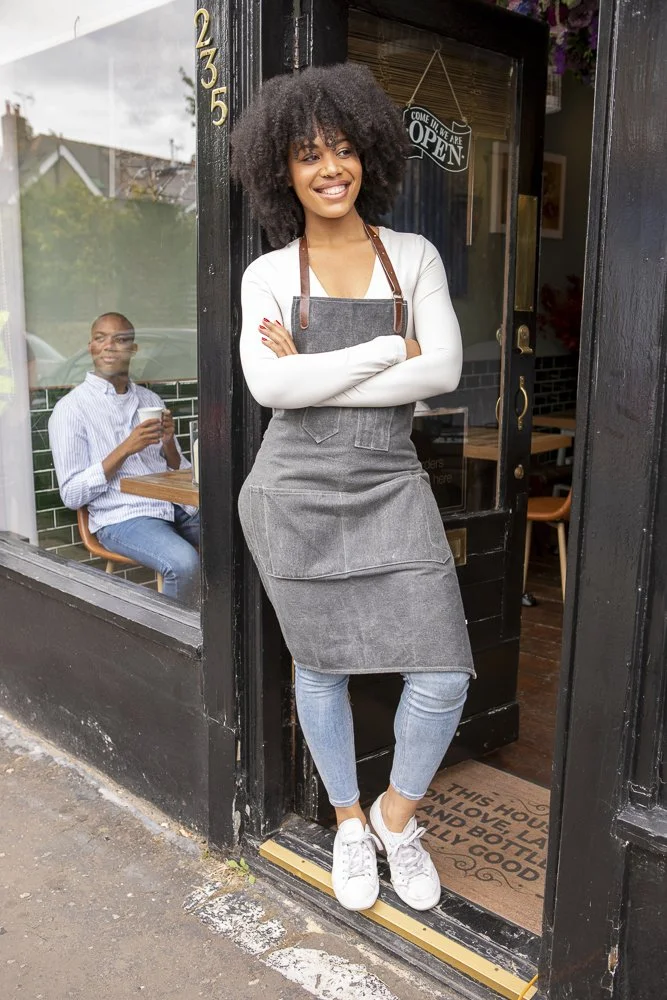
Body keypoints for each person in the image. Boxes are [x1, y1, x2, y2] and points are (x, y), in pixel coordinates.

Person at [231, 63, 474, 914]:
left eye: (341, 149)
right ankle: (345, 821)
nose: (329, 168)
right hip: (291, 492)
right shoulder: (267, 272)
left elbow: (440, 369)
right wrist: (386, 354)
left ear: (366, 154)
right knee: (321, 666)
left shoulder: (411, 255)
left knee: (444, 670)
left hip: (388, 481)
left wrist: (320, 369)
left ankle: (395, 818)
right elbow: (271, 391)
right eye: (307, 155)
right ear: (281, 171)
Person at [48, 312, 200, 606]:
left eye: (120, 340)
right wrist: (125, 448)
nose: (109, 346)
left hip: (174, 507)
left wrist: (169, 443)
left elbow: (180, 469)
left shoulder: (150, 401)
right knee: (184, 564)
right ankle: (172, 647)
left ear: (134, 349)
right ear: (91, 347)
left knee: (239, 537)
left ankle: (224, 634)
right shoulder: (71, 409)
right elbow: (71, 494)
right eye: (100, 338)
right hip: (122, 516)